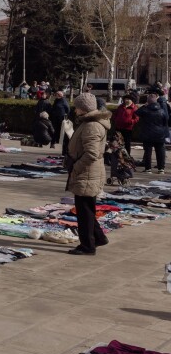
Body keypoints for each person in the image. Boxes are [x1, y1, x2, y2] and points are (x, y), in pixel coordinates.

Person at [65, 93, 110, 256]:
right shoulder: (90, 122)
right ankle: (98, 237)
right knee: (87, 208)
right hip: (88, 172)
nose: (75, 110)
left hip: (87, 172)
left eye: (76, 107)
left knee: (84, 210)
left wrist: (76, 166)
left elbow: (91, 153)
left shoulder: (92, 125)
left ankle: (87, 245)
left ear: (83, 108)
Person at [136, 92, 168, 174]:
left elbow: (137, 112)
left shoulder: (145, 110)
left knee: (148, 152)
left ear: (148, 101)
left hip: (147, 133)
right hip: (160, 134)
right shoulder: (162, 110)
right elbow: (166, 121)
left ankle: (148, 169)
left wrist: (144, 105)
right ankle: (161, 169)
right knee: (160, 152)